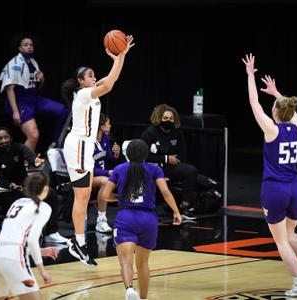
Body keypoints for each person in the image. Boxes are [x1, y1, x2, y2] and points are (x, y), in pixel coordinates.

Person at [242, 53, 297, 297]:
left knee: (281, 241)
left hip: (275, 189)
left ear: (274, 111)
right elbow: (289, 108)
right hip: (296, 188)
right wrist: (276, 92)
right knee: (290, 234)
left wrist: (251, 75)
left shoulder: (271, 130)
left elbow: (253, 102)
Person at [61, 34, 134, 267]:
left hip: (83, 146)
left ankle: (78, 242)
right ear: (80, 81)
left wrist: (121, 57)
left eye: (93, 74)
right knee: (81, 197)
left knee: (82, 196)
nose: (94, 77)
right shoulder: (83, 94)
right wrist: (119, 56)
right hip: (79, 145)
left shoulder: (90, 89)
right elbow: (110, 84)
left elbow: (112, 81)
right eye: (90, 75)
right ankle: (78, 243)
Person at [101, 139, 182, 300]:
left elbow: (104, 195)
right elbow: (165, 192)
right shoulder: (154, 169)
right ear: (146, 154)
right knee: (143, 264)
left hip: (127, 216)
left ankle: (130, 290)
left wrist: (119, 197)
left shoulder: (119, 169)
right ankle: (144, 298)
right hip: (149, 219)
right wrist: (176, 211)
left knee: (126, 261)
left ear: (128, 153)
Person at [0, 172, 58, 300]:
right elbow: (31, 240)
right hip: (14, 256)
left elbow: (12, 240)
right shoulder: (44, 207)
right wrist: (42, 271)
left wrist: (41, 251)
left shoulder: (17, 202)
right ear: (46, 189)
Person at [0, 33, 69, 152]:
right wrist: (15, 112)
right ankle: (23, 164)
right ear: (20, 48)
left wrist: (41, 79)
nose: (29, 47)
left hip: (33, 98)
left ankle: (55, 144)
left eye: (31, 45)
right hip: (19, 101)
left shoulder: (32, 62)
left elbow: (37, 85)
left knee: (64, 111)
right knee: (33, 135)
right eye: (25, 45)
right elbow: (9, 89)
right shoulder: (14, 64)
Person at [140, 104, 197, 220]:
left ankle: (185, 207)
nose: (168, 121)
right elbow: (144, 156)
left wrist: (169, 161)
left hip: (170, 168)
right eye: (165, 118)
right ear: (159, 118)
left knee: (191, 170)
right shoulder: (149, 133)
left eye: (171, 119)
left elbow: (182, 155)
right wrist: (166, 159)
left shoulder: (177, 133)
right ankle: (151, 211)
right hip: (152, 168)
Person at [93, 113, 120, 233]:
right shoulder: (88, 142)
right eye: (108, 123)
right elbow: (87, 168)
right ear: (102, 127)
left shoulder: (105, 137)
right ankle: (101, 220)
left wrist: (116, 153)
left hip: (102, 174)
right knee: (106, 181)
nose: (110, 125)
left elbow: (109, 157)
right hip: (87, 176)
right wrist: (107, 172)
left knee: (122, 177)